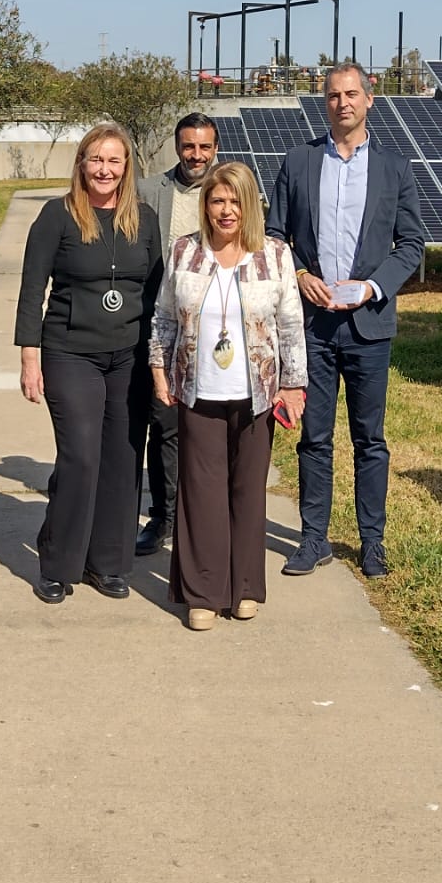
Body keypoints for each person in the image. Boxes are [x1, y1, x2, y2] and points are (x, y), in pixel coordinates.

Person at [267, 65, 425, 578]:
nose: (343, 103)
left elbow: (411, 244)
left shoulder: (394, 169)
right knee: (314, 437)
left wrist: (373, 287)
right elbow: (275, 237)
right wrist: (300, 275)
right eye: (334, 95)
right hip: (312, 325)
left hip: (368, 327)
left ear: (369, 99)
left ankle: (371, 542)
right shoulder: (299, 162)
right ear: (325, 102)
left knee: (369, 439)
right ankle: (313, 539)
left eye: (351, 94)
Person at [149, 161, 306, 631]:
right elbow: (163, 317)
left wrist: (293, 385)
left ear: (250, 205)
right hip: (198, 391)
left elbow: (290, 326)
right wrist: (159, 370)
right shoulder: (184, 252)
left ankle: (244, 587)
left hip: (257, 394)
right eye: (217, 200)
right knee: (201, 494)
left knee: (247, 493)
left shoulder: (274, 255)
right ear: (205, 205)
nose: (226, 210)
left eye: (235, 200)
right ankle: (203, 593)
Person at [14, 122, 163, 604]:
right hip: (70, 352)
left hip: (130, 357)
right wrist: (30, 357)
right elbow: (32, 289)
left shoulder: (143, 218)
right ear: (81, 163)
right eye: (96, 159)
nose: (104, 169)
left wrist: (162, 358)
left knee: (122, 458)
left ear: (126, 166)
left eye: (114, 160)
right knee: (81, 456)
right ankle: (58, 563)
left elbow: (156, 290)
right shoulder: (56, 216)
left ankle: (108, 562)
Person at [135, 112, 221, 556]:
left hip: (218, 330)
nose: (196, 155)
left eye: (204, 147)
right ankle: (163, 517)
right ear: (177, 146)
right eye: (189, 146)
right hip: (165, 329)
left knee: (209, 431)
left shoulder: (229, 191)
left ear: (215, 149)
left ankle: (203, 517)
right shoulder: (149, 191)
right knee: (165, 426)